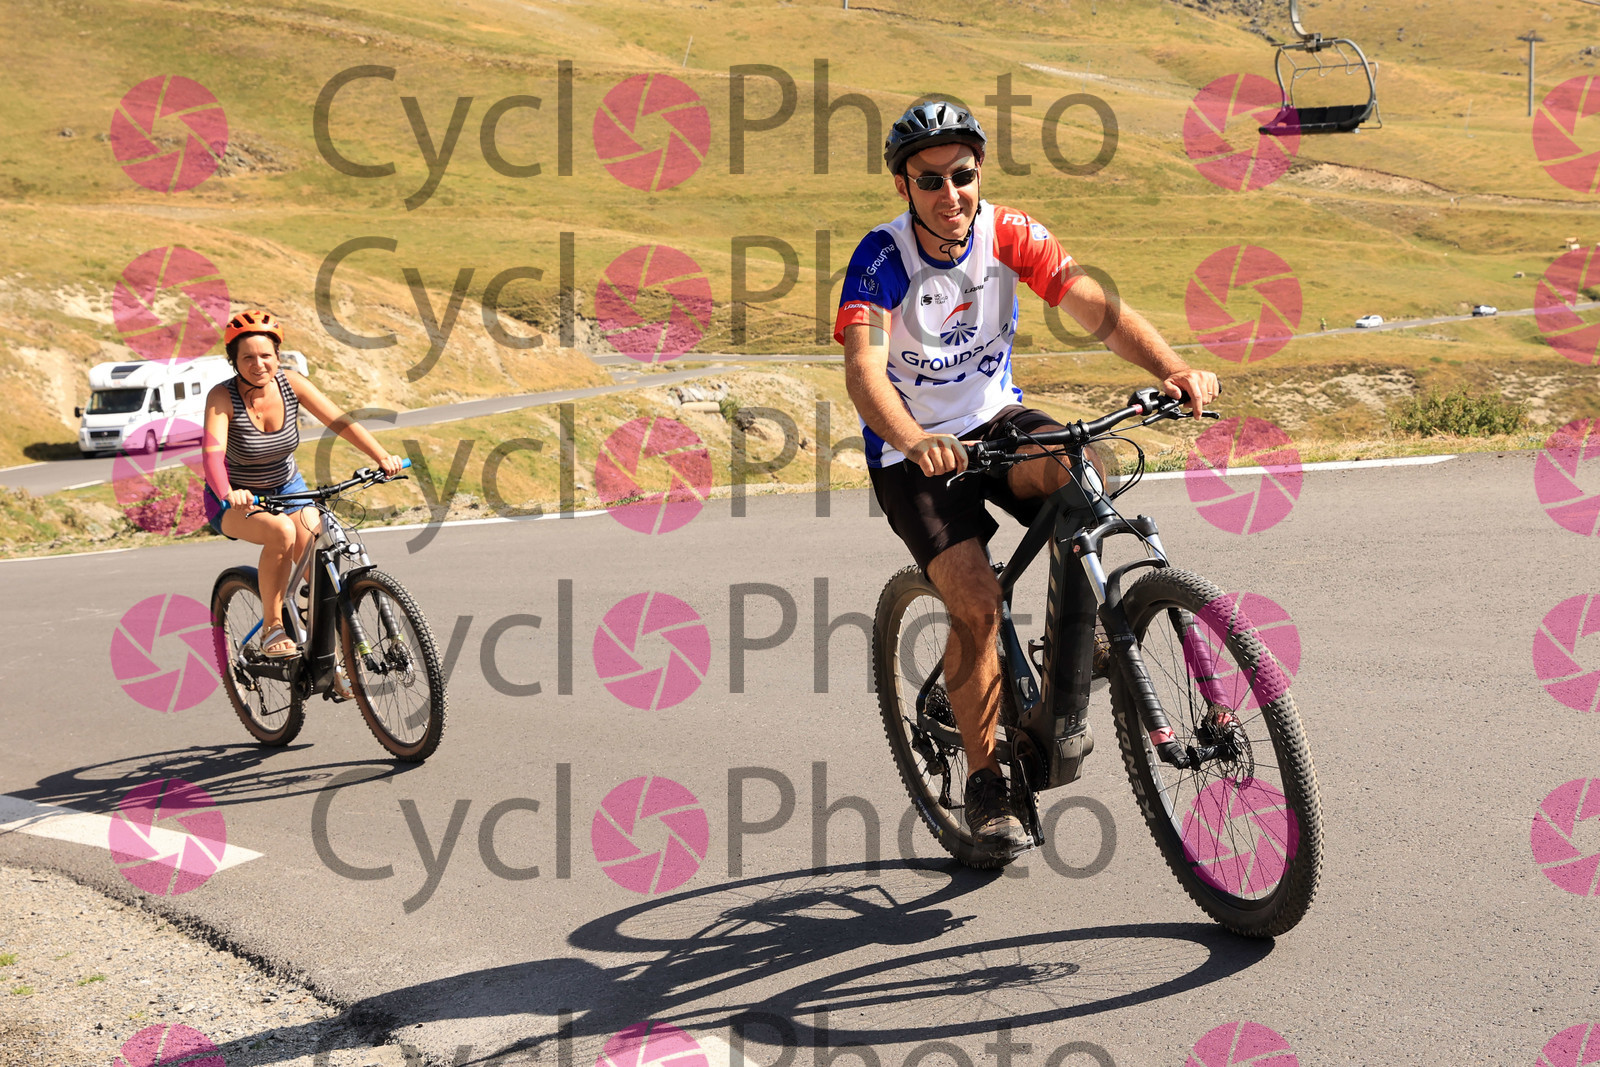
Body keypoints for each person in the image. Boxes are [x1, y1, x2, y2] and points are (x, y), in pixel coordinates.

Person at [833, 101, 1220, 856]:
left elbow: (1096, 307)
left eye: (962, 175)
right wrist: (914, 439)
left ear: (980, 172)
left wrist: (1171, 368)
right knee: (977, 604)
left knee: (1085, 467)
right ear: (903, 187)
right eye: (929, 181)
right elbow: (863, 370)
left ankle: (1081, 637)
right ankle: (986, 782)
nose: (949, 194)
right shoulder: (881, 258)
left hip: (994, 419)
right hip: (914, 451)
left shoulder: (1009, 234)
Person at [202, 310, 404, 662]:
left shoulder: (291, 384)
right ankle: (272, 628)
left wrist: (381, 456)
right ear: (234, 361)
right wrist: (227, 493)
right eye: (248, 357)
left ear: (278, 355)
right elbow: (211, 455)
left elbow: (339, 421)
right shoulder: (222, 397)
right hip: (236, 499)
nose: (259, 364)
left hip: (288, 488)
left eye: (266, 355)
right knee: (280, 531)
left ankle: (333, 663)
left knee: (320, 561)